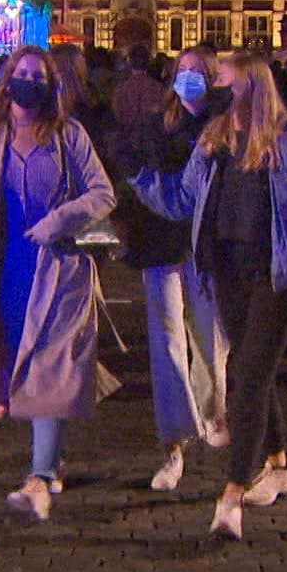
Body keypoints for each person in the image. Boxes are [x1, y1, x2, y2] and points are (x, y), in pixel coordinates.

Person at [133, 52, 287, 540]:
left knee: (246, 380)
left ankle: (230, 498)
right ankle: (278, 464)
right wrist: (138, 177)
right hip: (226, 274)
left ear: (251, 87)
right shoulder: (214, 139)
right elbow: (181, 199)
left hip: (276, 275)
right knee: (256, 371)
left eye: (222, 82)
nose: (212, 89)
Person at [0, 46, 115, 522]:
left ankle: (38, 479)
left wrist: (62, 219)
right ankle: (51, 463)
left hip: (59, 271)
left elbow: (102, 192)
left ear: (51, 85)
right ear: (6, 80)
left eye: (38, 75)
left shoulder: (69, 136)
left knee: (50, 368)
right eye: (21, 73)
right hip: (5, 270)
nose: (28, 81)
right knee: (22, 365)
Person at [112, 46, 231, 491]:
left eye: (199, 72)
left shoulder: (224, 126)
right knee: (166, 342)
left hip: (206, 248)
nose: (189, 79)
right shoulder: (155, 128)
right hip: (160, 243)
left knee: (210, 339)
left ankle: (211, 412)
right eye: (183, 72)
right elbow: (132, 169)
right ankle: (174, 442)